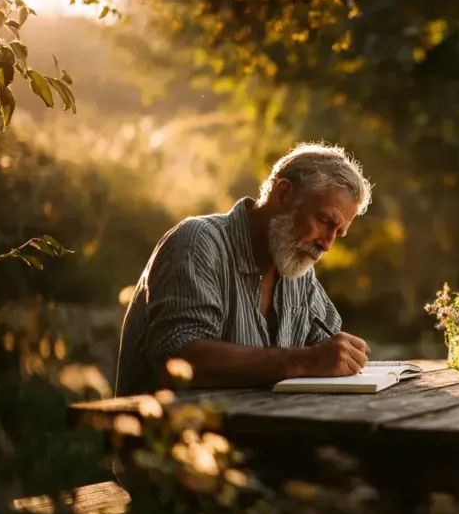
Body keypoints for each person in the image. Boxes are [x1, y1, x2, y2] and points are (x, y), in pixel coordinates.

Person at [114, 142, 373, 396]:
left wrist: (342, 356)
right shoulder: (198, 242)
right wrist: (304, 361)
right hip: (167, 434)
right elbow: (179, 359)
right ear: (283, 194)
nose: (327, 245)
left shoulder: (298, 270)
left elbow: (327, 351)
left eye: (339, 233)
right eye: (325, 221)